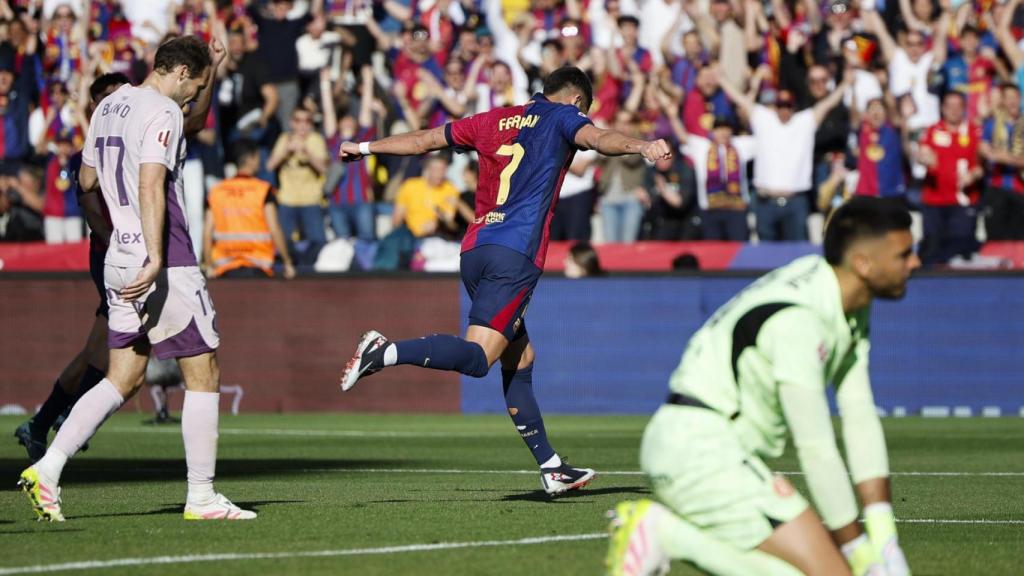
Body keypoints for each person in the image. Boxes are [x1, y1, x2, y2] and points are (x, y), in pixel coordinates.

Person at [337, 66, 672, 494]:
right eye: (584, 110)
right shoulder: (563, 116)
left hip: (476, 249)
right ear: (575, 102)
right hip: (515, 254)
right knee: (479, 359)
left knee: (521, 357)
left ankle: (552, 467)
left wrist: (364, 147)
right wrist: (641, 146)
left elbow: (423, 141)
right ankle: (385, 351)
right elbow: (599, 139)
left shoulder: (492, 119)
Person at [606, 197, 919, 576]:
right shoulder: (799, 320)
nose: (914, 263)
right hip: (698, 450)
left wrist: (884, 540)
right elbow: (816, 446)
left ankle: (665, 535)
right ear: (864, 264)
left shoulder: (845, 294)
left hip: (709, 448)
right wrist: (859, 551)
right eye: (905, 254)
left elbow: (858, 412)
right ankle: (665, 534)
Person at [18, 36, 256, 522]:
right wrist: (154, 255)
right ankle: (202, 495)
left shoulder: (108, 107)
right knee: (203, 368)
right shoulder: (162, 109)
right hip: (162, 257)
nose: (192, 98)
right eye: (196, 86)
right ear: (182, 74)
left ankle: (49, 467)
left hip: (116, 255)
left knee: (122, 377)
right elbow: (151, 181)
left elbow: (86, 180)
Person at [14, 73, 129, 463]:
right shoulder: (93, 150)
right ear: (97, 108)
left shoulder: (134, 140)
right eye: (110, 99)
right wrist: (123, 245)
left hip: (124, 253)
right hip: (111, 254)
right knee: (116, 349)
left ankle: (44, 421)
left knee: (98, 349)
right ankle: (64, 415)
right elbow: (94, 212)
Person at [203, 139, 296, 279]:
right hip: (258, 267)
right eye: (258, 157)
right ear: (250, 159)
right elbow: (275, 229)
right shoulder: (263, 190)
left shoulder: (217, 191)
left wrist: (209, 265)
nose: (260, 161)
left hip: (225, 269)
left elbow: (207, 232)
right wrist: (287, 262)